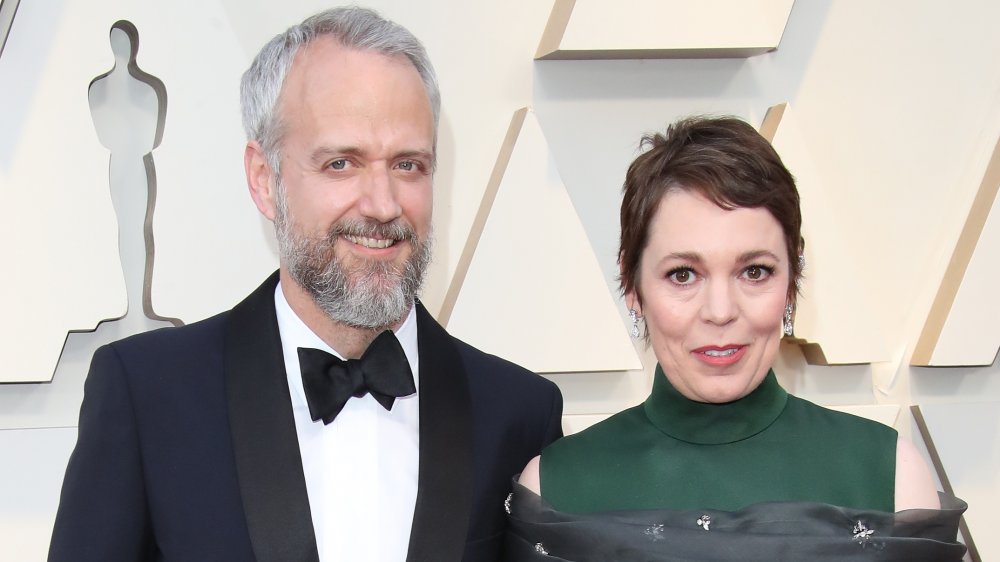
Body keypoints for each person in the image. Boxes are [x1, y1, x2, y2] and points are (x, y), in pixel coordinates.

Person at [49, 7, 562, 562]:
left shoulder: (519, 413)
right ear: (264, 180)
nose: (383, 204)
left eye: (409, 165)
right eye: (341, 163)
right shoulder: (147, 395)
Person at [505, 116, 966, 561]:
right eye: (683, 274)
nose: (721, 311)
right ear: (632, 285)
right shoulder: (556, 487)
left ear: (792, 279)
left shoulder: (890, 476)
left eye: (754, 271)